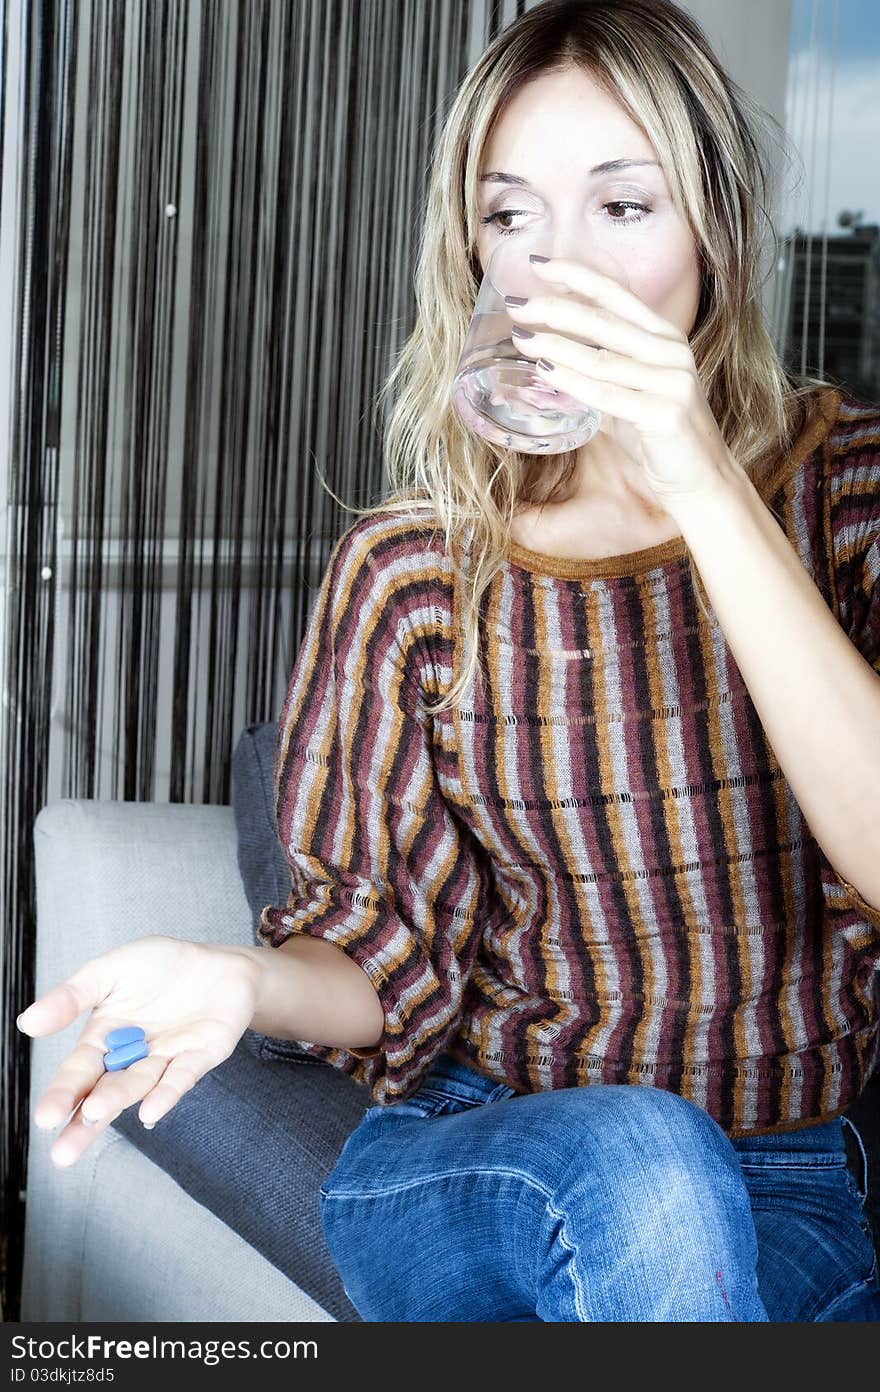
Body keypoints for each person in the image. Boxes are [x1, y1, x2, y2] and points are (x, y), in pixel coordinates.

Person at [17, 0, 880, 1321]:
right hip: (482, 1151)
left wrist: (701, 476)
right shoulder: (413, 568)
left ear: (719, 226)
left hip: (788, 1168)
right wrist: (242, 977)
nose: (554, 272)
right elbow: (379, 952)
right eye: (509, 216)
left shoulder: (841, 498)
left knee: (688, 1208)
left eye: (622, 208)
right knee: (644, 1160)